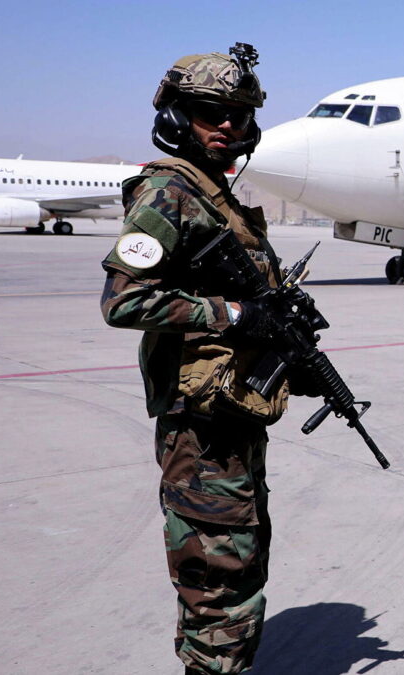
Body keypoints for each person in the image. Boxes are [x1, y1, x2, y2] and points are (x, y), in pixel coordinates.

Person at [100, 44, 310, 674]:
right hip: (200, 425)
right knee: (218, 578)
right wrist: (239, 316)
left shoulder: (216, 198)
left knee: (239, 558)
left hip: (229, 411)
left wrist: (283, 344)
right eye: (209, 112)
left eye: (239, 117)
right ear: (175, 116)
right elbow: (124, 299)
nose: (226, 127)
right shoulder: (169, 192)